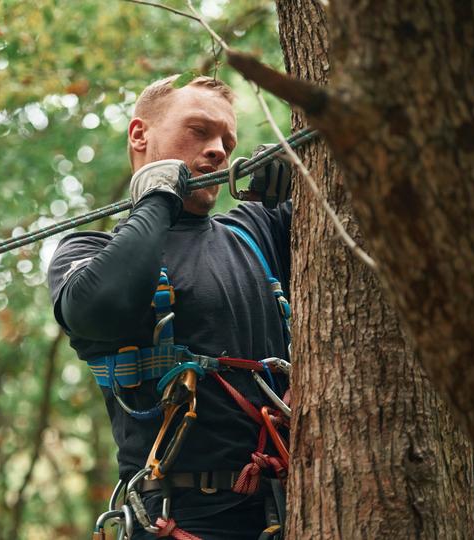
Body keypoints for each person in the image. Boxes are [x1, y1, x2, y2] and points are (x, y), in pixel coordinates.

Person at [47, 75, 291, 539]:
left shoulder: (254, 232)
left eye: (227, 140)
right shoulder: (87, 252)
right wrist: (157, 195)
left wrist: (297, 170)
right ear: (140, 135)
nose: (219, 149)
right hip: (177, 522)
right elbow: (102, 305)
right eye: (199, 131)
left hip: (286, 512)